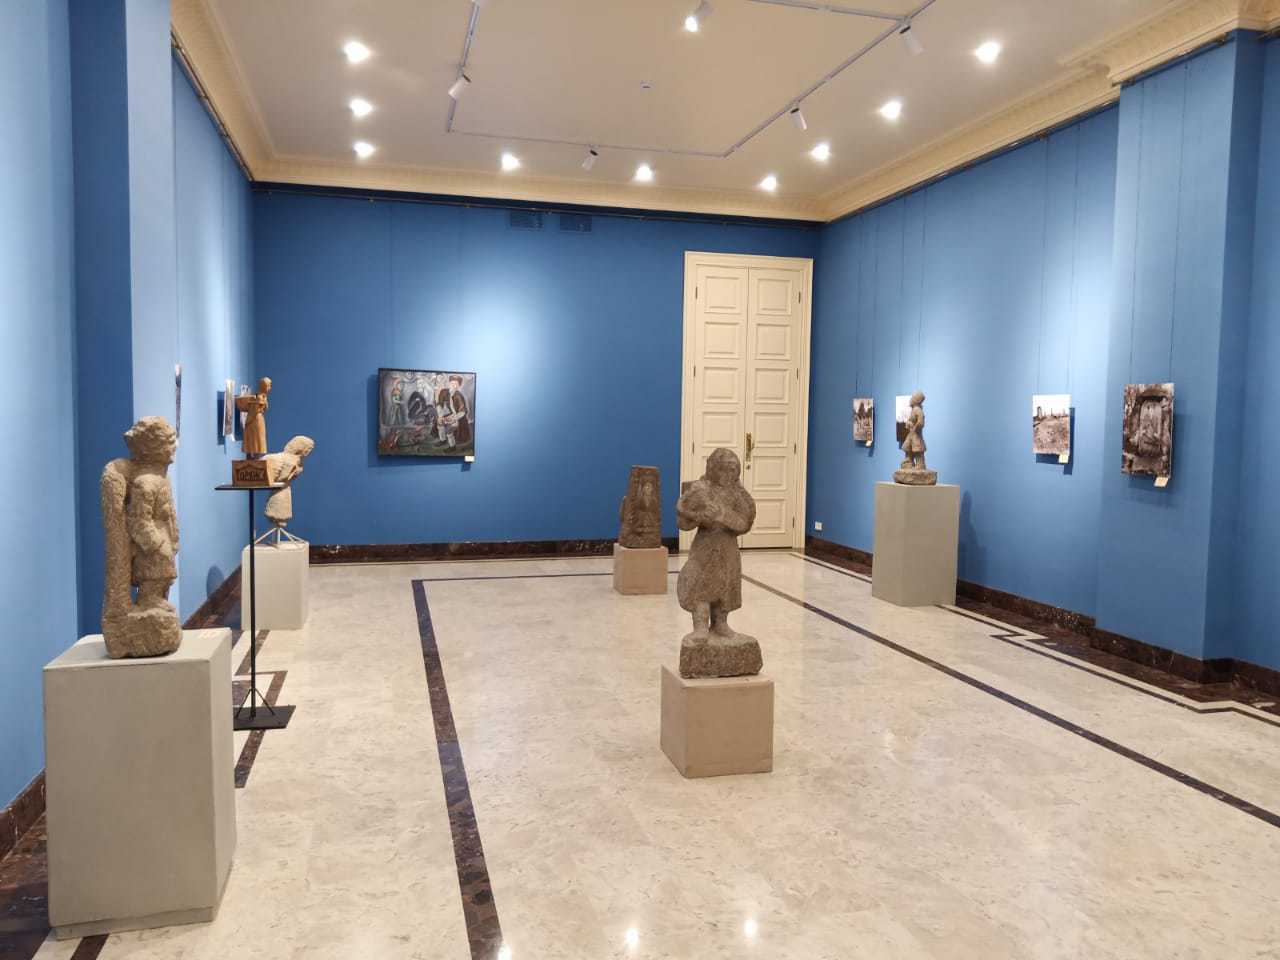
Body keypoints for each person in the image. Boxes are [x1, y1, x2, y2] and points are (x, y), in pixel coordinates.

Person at [675, 448, 756, 640]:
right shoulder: (701, 489)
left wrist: (722, 515)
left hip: (728, 549)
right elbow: (683, 522)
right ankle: (700, 626)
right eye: (723, 469)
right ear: (712, 468)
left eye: (733, 470)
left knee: (725, 587)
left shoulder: (738, 494)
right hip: (705, 547)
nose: (728, 474)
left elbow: (744, 523)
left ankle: (721, 623)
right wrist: (700, 517)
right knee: (700, 585)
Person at [236, 377, 272, 458]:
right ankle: (253, 457)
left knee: (257, 439)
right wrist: (248, 422)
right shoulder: (258, 397)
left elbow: (264, 408)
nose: (270, 388)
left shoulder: (262, 397)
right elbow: (253, 411)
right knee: (255, 439)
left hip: (258, 419)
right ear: (265, 386)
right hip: (255, 420)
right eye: (269, 385)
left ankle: (255, 456)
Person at [899, 389, 927, 471]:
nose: (911, 399)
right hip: (911, 434)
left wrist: (915, 427)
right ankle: (909, 462)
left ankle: (920, 464)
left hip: (915, 434)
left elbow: (921, 422)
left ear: (916, 400)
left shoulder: (917, 410)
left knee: (917, 449)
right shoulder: (914, 409)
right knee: (907, 447)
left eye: (913, 398)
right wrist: (909, 423)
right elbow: (912, 420)